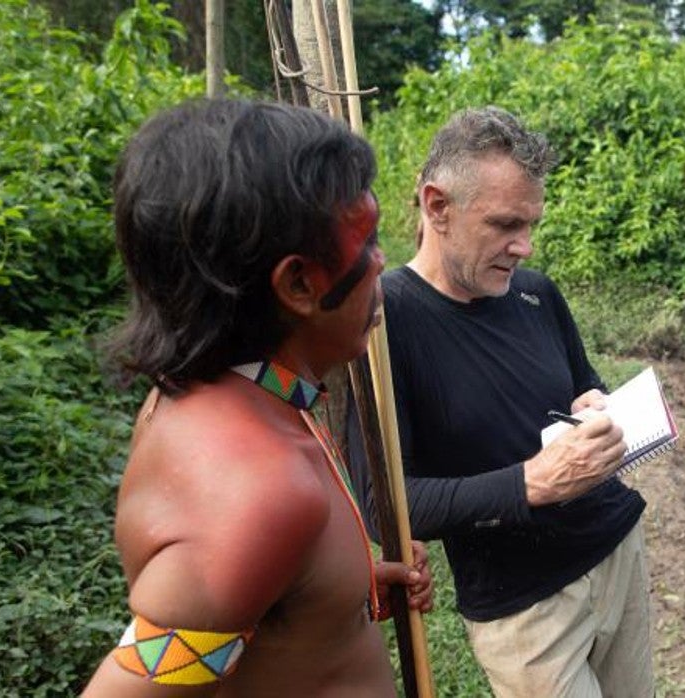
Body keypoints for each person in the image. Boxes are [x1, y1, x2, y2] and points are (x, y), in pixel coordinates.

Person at [83, 99, 433, 696]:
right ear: (298, 284)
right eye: (368, 241)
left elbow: (248, 614)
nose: (382, 263)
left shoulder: (254, 390)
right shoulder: (262, 494)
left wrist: (340, 587)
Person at [347, 106, 653, 697]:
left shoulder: (536, 295)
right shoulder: (386, 320)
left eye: (531, 223)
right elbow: (381, 501)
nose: (526, 247)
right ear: (437, 206)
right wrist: (529, 485)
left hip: (615, 550)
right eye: (506, 224)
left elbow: (582, 386)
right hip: (524, 606)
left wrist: (594, 406)